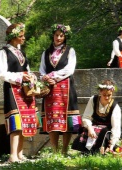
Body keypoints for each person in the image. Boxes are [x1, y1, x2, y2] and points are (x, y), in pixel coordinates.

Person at [0, 23, 39, 163]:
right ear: (13, 37)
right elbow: (2, 73)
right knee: (15, 121)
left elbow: (27, 69)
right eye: (21, 36)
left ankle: (20, 154)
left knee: (23, 122)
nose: (24, 38)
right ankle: (12, 156)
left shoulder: (22, 53)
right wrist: (20, 77)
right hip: (12, 90)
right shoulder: (3, 53)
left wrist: (31, 77)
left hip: (25, 91)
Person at [39, 24, 81, 155]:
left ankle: (64, 150)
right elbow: (41, 70)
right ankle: (55, 150)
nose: (58, 38)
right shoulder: (46, 53)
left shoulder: (70, 51)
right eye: (56, 35)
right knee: (53, 119)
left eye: (61, 35)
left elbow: (70, 69)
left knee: (66, 119)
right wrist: (45, 78)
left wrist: (53, 76)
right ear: (53, 35)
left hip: (65, 88)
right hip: (50, 89)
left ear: (65, 37)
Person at [81, 80, 122, 154]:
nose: (106, 97)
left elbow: (116, 127)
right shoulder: (93, 100)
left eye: (109, 95)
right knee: (86, 129)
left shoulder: (115, 106)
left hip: (106, 131)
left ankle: (104, 149)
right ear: (100, 92)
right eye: (104, 95)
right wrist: (90, 128)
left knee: (103, 131)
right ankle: (86, 150)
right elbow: (86, 117)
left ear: (112, 93)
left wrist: (112, 144)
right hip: (93, 128)